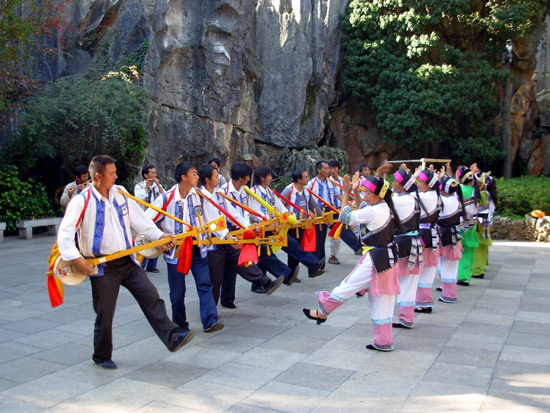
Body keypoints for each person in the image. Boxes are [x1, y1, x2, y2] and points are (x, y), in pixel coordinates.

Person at [57, 155, 194, 370]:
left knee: (151, 296)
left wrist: (159, 237)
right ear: (98, 176)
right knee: (105, 313)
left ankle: (172, 336)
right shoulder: (81, 201)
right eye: (112, 173)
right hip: (101, 266)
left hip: (127, 261)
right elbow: (64, 234)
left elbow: (139, 220)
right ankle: (101, 355)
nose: (116, 176)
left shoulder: (121, 194)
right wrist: (77, 260)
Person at [303, 167, 402, 352]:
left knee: (347, 286)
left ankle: (323, 312)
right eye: (364, 192)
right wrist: (356, 191)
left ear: (378, 195)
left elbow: (345, 216)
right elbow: (363, 209)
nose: (365, 196)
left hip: (374, 259)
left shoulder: (374, 211)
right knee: (382, 301)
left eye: (368, 193)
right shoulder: (384, 206)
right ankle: (383, 341)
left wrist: (346, 192)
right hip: (388, 258)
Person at [146, 162, 224, 334]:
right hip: (177, 250)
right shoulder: (166, 198)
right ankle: (180, 326)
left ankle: (210, 320)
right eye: (194, 174)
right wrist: (160, 237)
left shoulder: (199, 196)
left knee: (205, 283)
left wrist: (226, 235)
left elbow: (213, 216)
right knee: (178, 292)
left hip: (197, 247)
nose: (197, 177)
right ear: (183, 177)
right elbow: (146, 221)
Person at [203, 163, 283, 308]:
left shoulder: (220, 195)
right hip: (215, 239)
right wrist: (227, 234)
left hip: (231, 235)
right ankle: (211, 311)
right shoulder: (214, 194)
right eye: (216, 176)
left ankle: (264, 282)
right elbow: (215, 221)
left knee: (240, 260)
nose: (219, 178)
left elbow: (235, 213)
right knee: (215, 276)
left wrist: (248, 227)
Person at [248, 166, 324, 281]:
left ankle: (313, 263)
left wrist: (285, 218)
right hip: (262, 229)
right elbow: (253, 212)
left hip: (275, 227)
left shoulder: (270, 191)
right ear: (262, 178)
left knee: (291, 245)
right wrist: (269, 223)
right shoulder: (253, 192)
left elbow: (281, 207)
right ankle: (267, 281)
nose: (271, 178)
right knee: (265, 254)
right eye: (269, 175)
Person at [391, 167, 423, 329]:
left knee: (401, 280)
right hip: (413, 242)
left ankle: (403, 317)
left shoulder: (400, 200)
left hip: (404, 243)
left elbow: (382, 201)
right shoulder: (413, 198)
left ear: (403, 186)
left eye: (395, 181)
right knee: (408, 281)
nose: (393, 183)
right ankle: (406, 317)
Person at [281, 169, 325, 277]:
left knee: (301, 247)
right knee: (294, 249)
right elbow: (279, 206)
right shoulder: (288, 191)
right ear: (299, 180)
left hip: (303, 224)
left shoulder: (306, 191)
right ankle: (293, 273)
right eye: (305, 177)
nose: (308, 179)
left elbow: (313, 205)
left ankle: (308, 269)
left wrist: (322, 218)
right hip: (291, 226)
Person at [414, 168, 441, 314]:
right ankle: (426, 301)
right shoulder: (436, 195)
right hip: (433, 234)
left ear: (428, 184)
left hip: (422, 233)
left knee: (419, 268)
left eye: (421, 181)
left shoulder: (421, 197)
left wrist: (410, 177)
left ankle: (421, 302)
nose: (418, 184)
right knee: (429, 268)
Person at [327, 159, 363, 265]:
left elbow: (351, 192)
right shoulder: (328, 181)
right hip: (331, 210)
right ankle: (356, 248)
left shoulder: (342, 180)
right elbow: (339, 195)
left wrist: (356, 202)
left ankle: (359, 246)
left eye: (334, 168)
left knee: (353, 226)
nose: (332, 170)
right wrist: (348, 203)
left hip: (342, 208)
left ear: (338, 169)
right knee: (337, 233)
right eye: (330, 168)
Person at [437, 175, 465, 303]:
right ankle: (449, 292)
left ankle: (448, 294)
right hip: (455, 234)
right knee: (451, 266)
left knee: (445, 265)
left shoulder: (443, 200)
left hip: (445, 235)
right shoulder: (457, 199)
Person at [134, 165, 165, 273]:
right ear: (145, 175)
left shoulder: (156, 186)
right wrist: (146, 188)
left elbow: (165, 196)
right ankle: (141, 263)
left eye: (155, 173)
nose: (154, 175)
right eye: (151, 173)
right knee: (144, 240)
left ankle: (152, 265)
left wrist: (158, 186)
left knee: (157, 240)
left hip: (155, 217)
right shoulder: (139, 186)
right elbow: (138, 198)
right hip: (145, 216)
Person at [456, 166, 479, 286]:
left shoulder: (460, 189)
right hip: (472, 224)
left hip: (461, 224)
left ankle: (459, 275)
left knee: (458, 250)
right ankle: (465, 276)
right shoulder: (476, 190)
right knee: (469, 250)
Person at [306, 161, 331, 270]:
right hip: (315, 213)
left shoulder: (330, 182)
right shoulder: (311, 183)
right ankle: (315, 264)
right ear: (319, 170)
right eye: (325, 168)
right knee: (315, 239)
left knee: (321, 239)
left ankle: (321, 264)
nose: (328, 170)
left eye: (328, 168)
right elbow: (307, 198)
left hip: (327, 211)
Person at [472, 173, 497, 278]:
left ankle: (477, 270)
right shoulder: (487, 194)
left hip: (477, 223)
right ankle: (481, 268)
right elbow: (492, 209)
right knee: (483, 246)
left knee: (477, 247)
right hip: (485, 222)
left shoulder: (475, 195)